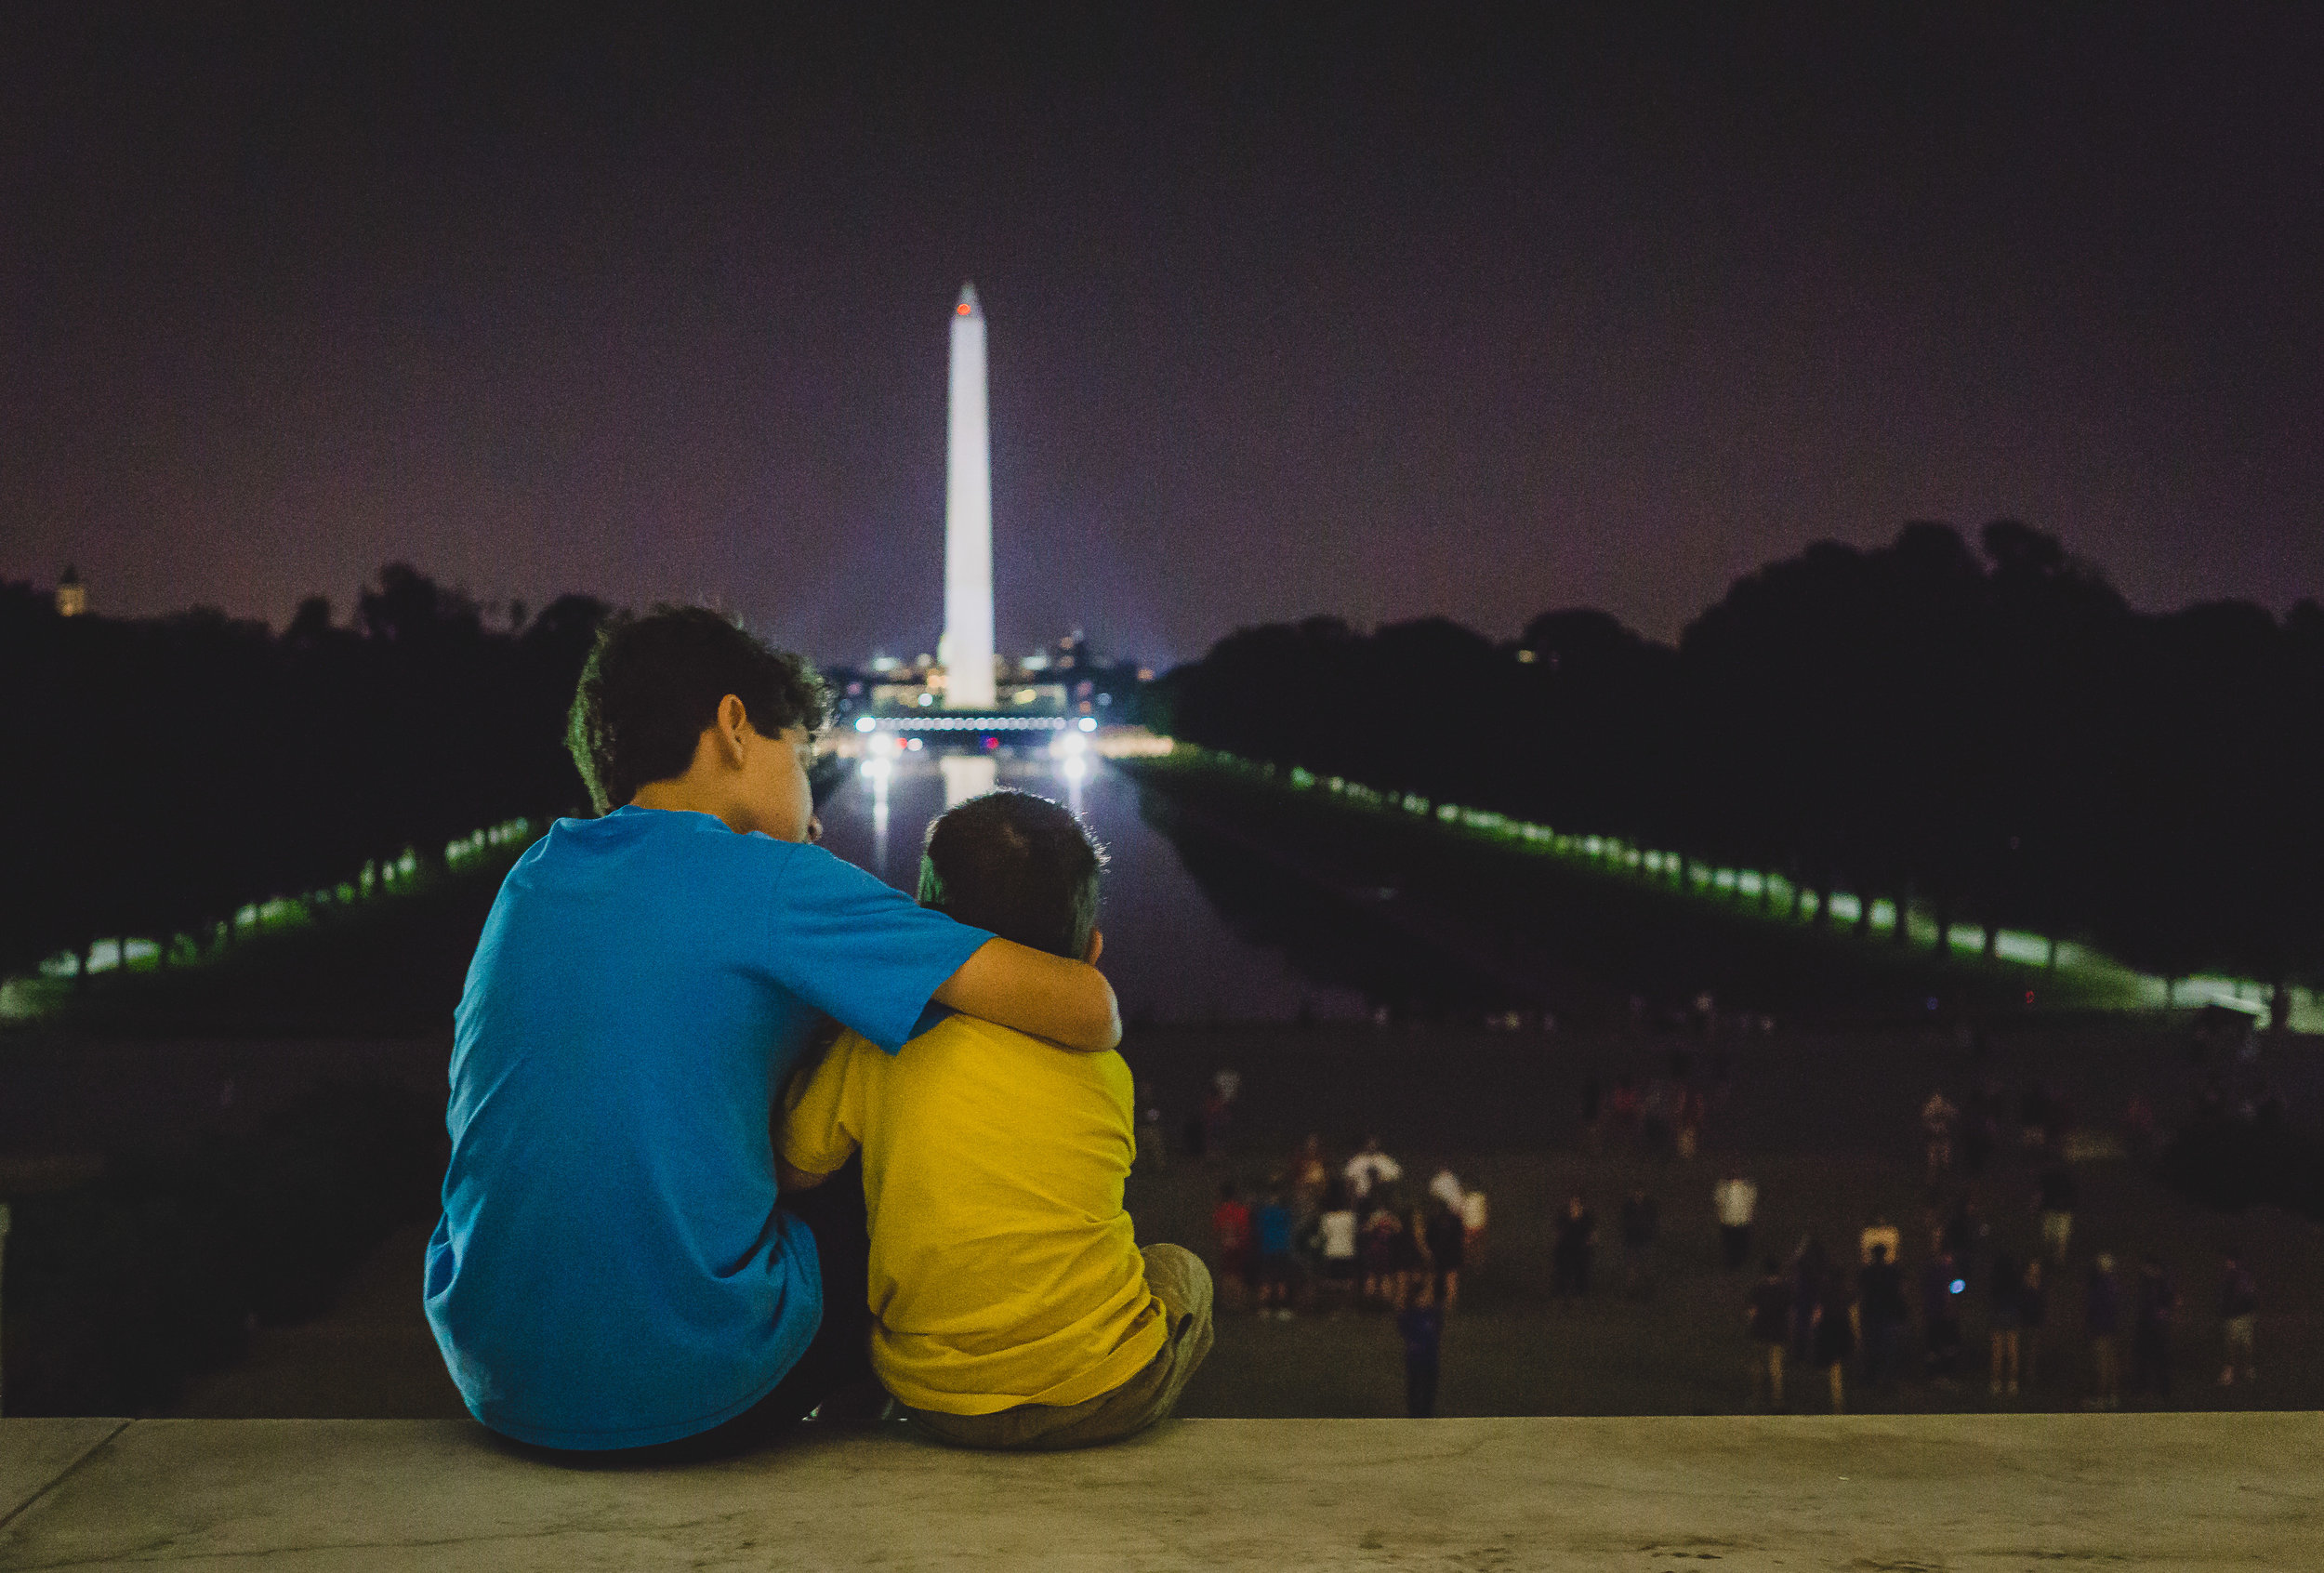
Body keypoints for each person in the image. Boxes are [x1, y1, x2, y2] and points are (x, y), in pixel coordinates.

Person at [425, 609, 1123, 1455]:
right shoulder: (774, 880)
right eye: (802, 753)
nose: (817, 812)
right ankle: (943, 1390)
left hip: (494, 1372)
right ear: (732, 727)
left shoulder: (530, 878)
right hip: (698, 1387)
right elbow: (1082, 1007)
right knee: (898, 1076)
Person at [778, 787, 1212, 1450]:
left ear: (926, 928)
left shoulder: (879, 1045)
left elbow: (796, 1167)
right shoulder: (1106, 1069)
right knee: (1183, 1269)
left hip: (936, 1399)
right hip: (1107, 1392)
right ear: (1091, 951)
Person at [1858, 1243, 1908, 1390]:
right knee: (1887, 1348)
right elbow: (1899, 1292)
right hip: (1886, 1313)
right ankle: (1885, 1379)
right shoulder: (1891, 1271)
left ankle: (1872, 1378)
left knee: (1873, 1347)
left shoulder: (1868, 1272)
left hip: (1874, 1313)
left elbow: (1862, 1293)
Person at [1746, 1257, 1792, 1410]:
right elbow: (1790, 1311)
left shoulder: (1759, 1289)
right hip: (1778, 1332)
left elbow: (1752, 1312)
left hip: (1760, 1331)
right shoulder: (1785, 1289)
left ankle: (1756, 1397)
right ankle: (1777, 1400)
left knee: (1757, 1365)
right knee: (1776, 1366)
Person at [1397, 1274, 1446, 1417]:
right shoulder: (1410, 1315)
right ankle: (1413, 1412)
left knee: (1429, 1388)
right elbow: (1402, 1326)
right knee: (1414, 1386)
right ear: (1415, 1299)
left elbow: (1439, 1324)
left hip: (1431, 1360)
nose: (1426, 1299)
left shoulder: (1433, 1314)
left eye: (1428, 1296)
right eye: (1422, 1296)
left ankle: (1427, 1412)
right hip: (1415, 1360)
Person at [1812, 1267, 1857, 1414]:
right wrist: (1856, 1334)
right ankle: (1838, 1402)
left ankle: (1835, 1401)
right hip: (1842, 1330)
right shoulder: (1847, 1293)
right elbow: (1853, 1314)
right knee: (1837, 1367)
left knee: (1831, 1367)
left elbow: (1817, 1315)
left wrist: (1814, 1329)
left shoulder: (1824, 1293)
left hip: (1828, 1330)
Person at [2133, 1255, 2176, 1399]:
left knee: (2155, 1358)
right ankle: (2154, 1388)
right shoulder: (2154, 1282)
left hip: (2153, 1326)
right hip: (2152, 1325)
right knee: (2152, 1358)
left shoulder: (2156, 1283)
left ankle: (2158, 1388)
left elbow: (2155, 1303)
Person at [1252, 1185, 1297, 1318]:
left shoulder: (1264, 1212)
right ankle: (1282, 1308)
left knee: (1266, 1280)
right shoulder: (1285, 1212)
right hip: (1282, 1248)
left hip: (1266, 1249)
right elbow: (1291, 1229)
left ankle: (1264, 1308)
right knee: (1281, 1281)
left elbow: (1258, 1230)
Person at [2086, 1253, 2122, 1409]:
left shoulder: (2099, 1284)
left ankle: (2100, 1398)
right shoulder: (2114, 1283)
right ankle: (2113, 1396)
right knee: (2110, 1362)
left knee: (2101, 1364)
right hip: (2111, 1327)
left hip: (2100, 1328)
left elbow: (2094, 1307)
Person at [1922, 1247, 1965, 1381]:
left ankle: (1935, 1374)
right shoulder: (1944, 1272)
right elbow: (1951, 1292)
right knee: (1946, 1346)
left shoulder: (1932, 1271)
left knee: (1936, 1345)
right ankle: (1943, 1373)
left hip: (1934, 1314)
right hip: (1944, 1315)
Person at [1315, 1181, 1360, 1309]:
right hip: (1347, 1251)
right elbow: (1354, 1233)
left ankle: (1333, 1306)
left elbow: (1322, 1235)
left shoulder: (1327, 1218)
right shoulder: (1350, 1217)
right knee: (1347, 1281)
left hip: (1331, 1251)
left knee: (1332, 1281)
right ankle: (1347, 1306)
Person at [2219, 1253, 2258, 1387]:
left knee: (2246, 1345)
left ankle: (2247, 1370)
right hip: (2231, 1316)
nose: (2227, 1263)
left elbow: (2250, 1295)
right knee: (2231, 1346)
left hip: (2243, 1316)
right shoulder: (2226, 1277)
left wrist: (2252, 1311)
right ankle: (2230, 1372)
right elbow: (2222, 1297)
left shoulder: (2245, 1277)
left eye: (2229, 1261)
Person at [1212, 1182, 1252, 1311]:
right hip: (1239, 1245)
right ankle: (1237, 1302)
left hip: (1225, 1246)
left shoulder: (1220, 1211)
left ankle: (1228, 1302)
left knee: (1227, 1274)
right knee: (1238, 1274)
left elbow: (1216, 1229)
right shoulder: (1240, 1210)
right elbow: (1245, 1228)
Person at [1987, 1249, 2022, 1396]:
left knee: (1997, 1351)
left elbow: (1992, 1297)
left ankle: (1996, 1384)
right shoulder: (2015, 1278)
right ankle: (2013, 1384)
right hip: (2012, 1314)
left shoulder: (1995, 1279)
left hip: (1998, 1315)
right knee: (2012, 1351)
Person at [1423, 1196, 1467, 1311]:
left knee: (1432, 1278)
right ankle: (1450, 1305)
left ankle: (1430, 1301)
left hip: (1438, 1253)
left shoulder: (1433, 1220)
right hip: (1453, 1253)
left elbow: (1428, 1237)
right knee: (1451, 1280)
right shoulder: (1455, 1220)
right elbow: (1461, 1236)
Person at [1552, 1193, 1596, 1299]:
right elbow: (1559, 1232)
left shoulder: (1586, 1217)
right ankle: (1563, 1292)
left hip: (1581, 1249)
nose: (1574, 1205)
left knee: (1581, 1271)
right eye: (1573, 1202)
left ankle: (1580, 1292)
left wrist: (1589, 1242)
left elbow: (1592, 1233)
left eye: (1577, 1203)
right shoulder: (1564, 1216)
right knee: (1564, 1271)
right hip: (1565, 1248)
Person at [1619, 1188, 1659, 1298]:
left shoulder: (1649, 1206)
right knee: (1632, 1267)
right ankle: (1631, 1292)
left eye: (1640, 1192)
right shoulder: (1628, 1207)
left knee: (1647, 1267)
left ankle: (1648, 1291)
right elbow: (1624, 1223)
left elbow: (1653, 1222)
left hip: (1646, 1240)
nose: (1638, 1194)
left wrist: (1649, 1233)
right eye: (1636, 1192)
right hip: (1632, 1241)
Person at [1714, 1170, 1758, 1272]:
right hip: (1729, 1221)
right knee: (1730, 1243)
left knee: (1741, 1243)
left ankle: (1740, 1262)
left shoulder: (1748, 1187)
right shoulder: (1723, 1187)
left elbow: (1751, 1204)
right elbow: (1719, 1204)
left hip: (1742, 1221)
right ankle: (1732, 1263)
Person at [2036, 1164, 2079, 1263]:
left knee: (2058, 1240)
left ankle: (2056, 1262)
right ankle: (2054, 1261)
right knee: (2051, 1239)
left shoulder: (2062, 1181)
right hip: (2052, 1212)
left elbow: (2041, 1194)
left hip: (2060, 1213)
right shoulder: (2048, 1179)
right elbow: (2041, 1194)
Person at [1344, 1135, 1404, 1203]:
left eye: (1374, 1143)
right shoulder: (1358, 1160)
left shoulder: (1383, 1160)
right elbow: (1348, 1176)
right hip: (1361, 1196)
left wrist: (1382, 1178)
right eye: (1370, 1143)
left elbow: (1396, 1173)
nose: (1372, 1146)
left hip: (1380, 1196)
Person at [2018, 1257, 2048, 1390]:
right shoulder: (2024, 1282)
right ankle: (2020, 1374)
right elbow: (2021, 1300)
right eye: (2032, 1266)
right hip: (2024, 1320)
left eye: (2037, 1267)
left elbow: (2042, 1302)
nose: (2035, 1269)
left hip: (2036, 1321)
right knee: (2022, 1347)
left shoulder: (2041, 1283)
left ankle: (2031, 1375)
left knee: (2033, 1350)